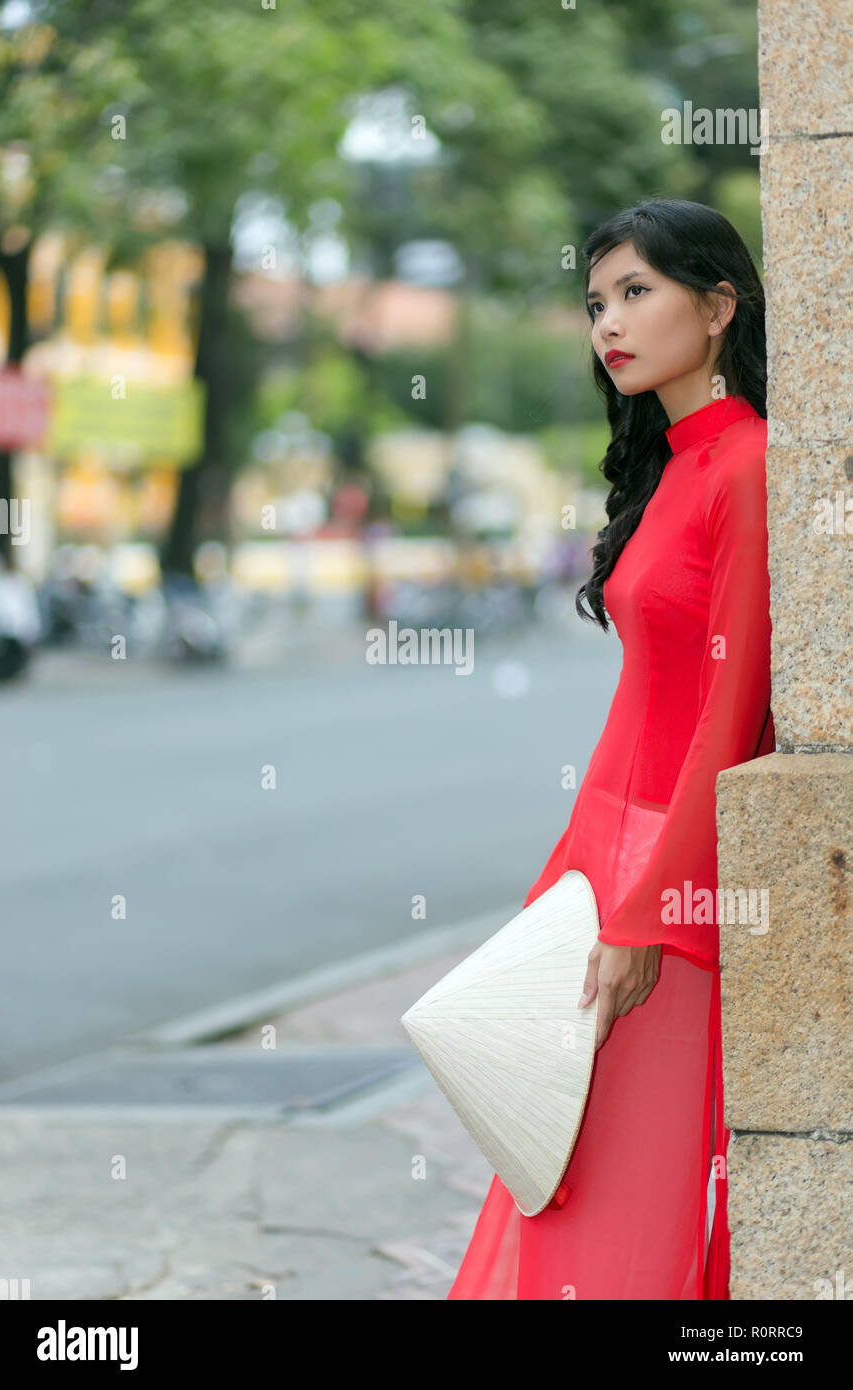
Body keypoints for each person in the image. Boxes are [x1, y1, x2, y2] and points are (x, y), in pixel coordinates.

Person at [447, 198, 774, 1301]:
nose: (607, 324)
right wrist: (570, 882)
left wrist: (650, 911)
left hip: (674, 900)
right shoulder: (670, 470)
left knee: (630, 1196)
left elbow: (728, 720)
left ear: (716, 306)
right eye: (594, 303)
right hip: (610, 868)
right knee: (565, 1175)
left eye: (636, 292)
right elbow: (639, 710)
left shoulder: (747, 469)